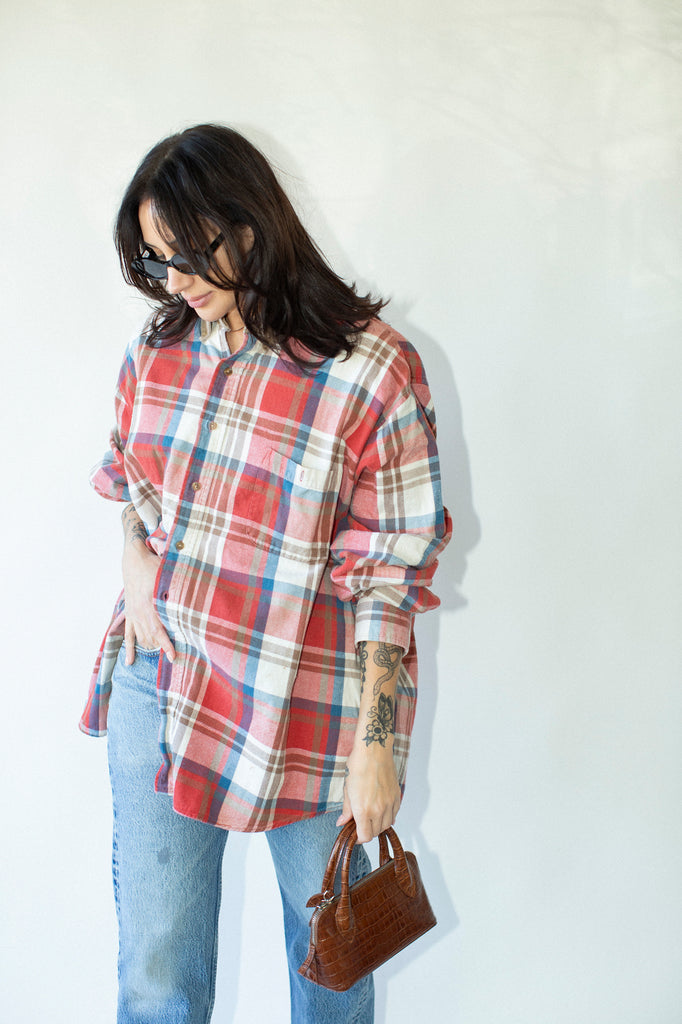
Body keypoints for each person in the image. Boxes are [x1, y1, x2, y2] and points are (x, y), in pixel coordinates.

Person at [81, 123, 451, 1024]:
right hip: (161, 688)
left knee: (329, 966)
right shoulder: (159, 350)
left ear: (249, 223)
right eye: (156, 260)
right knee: (156, 977)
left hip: (311, 715)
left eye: (191, 252)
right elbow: (133, 486)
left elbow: (388, 580)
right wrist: (134, 560)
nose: (175, 281)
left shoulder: (371, 372)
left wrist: (378, 748)